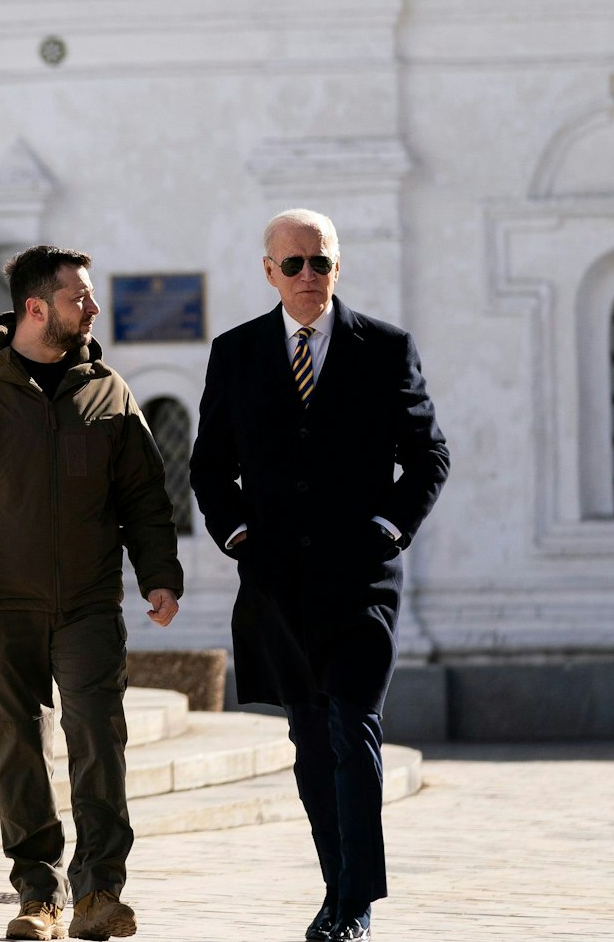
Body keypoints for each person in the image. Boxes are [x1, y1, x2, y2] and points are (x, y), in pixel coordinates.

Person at [0, 245, 184, 942]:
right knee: (18, 746)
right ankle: (39, 895)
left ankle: (99, 893)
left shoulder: (108, 392)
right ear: (35, 307)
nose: (92, 307)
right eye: (77, 296)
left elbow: (145, 497)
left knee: (99, 739)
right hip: (0, 605)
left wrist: (159, 574)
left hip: (89, 603)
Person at [188, 209, 450, 942]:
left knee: (353, 726)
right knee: (309, 740)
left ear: (339, 266)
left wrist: (388, 528)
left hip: (361, 582)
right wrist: (237, 534)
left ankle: (354, 904)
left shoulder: (385, 348)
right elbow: (209, 466)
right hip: (276, 585)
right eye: (294, 263)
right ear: (269, 271)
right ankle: (337, 888)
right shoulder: (236, 352)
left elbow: (429, 455)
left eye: (322, 261)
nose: (309, 275)